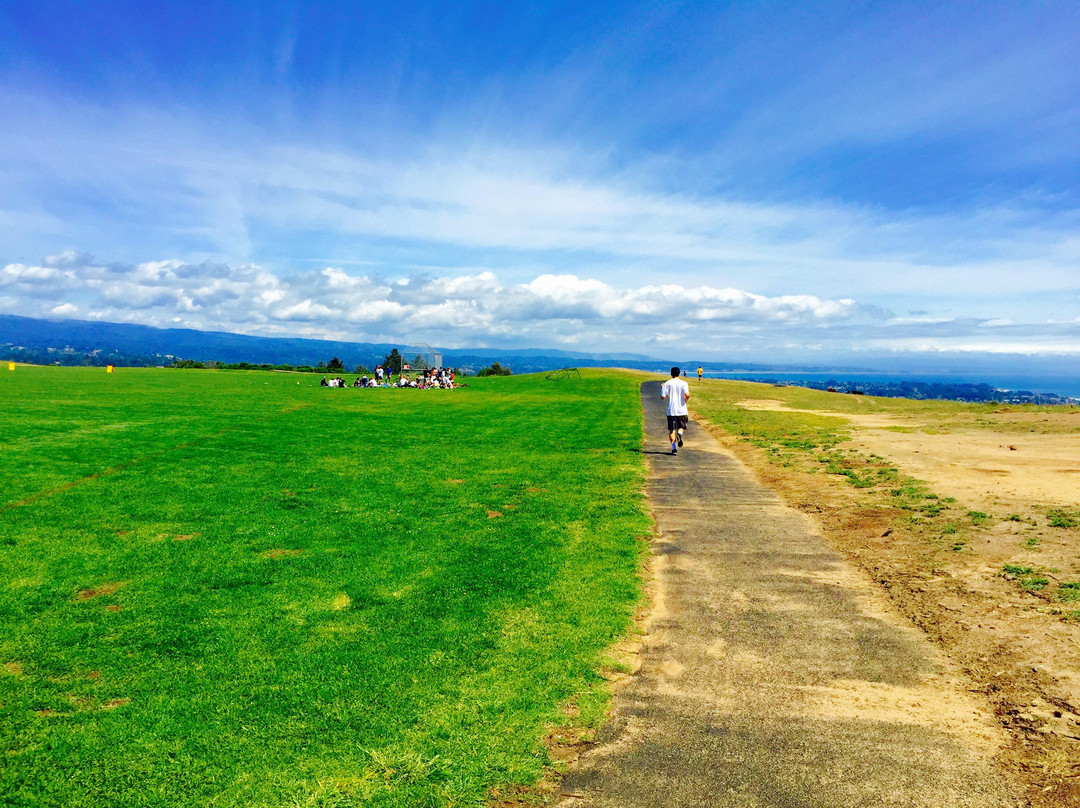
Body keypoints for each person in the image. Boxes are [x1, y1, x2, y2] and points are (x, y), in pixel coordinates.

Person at [661, 366, 690, 455]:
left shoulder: (666, 384)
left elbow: (662, 397)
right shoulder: (684, 383)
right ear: (679, 373)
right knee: (682, 427)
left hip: (671, 410)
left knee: (671, 430)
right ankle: (680, 434)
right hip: (682, 410)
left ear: (671, 374)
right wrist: (685, 400)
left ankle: (674, 449)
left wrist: (663, 390)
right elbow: (687, 394)